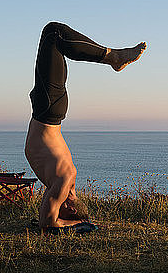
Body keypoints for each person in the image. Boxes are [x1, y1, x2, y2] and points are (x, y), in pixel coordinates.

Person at [24, 22, 146, 232]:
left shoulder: (62, 180)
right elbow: (49, 223)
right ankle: (113, 58)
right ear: (69, 207)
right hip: (48, 111)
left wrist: (71, 222)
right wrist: (78, 222)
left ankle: (114, 57)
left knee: (54, 35)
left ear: (68, 207)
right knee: (54, 33)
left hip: (46, 111)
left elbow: (47, 224)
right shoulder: (65, 178)